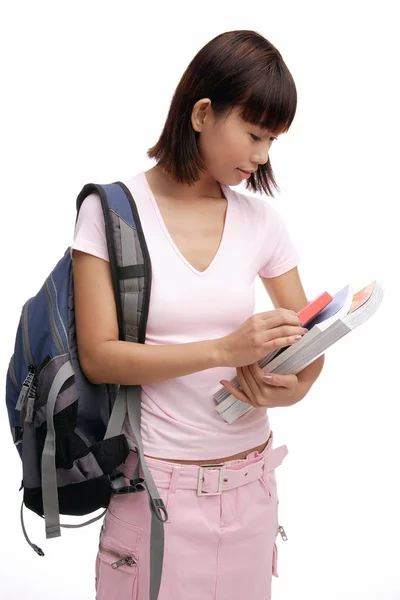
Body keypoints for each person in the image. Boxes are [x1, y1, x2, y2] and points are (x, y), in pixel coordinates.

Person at [71, 29, 324, 600]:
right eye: (255, 134)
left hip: (253, 488)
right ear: (203, 112)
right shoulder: (111, 212)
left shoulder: (263, 222)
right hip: (157, 492)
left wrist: (294, 386)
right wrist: (221, 351)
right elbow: (100, 356)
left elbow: (308, 343)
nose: (262, 156)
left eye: (273, 141)